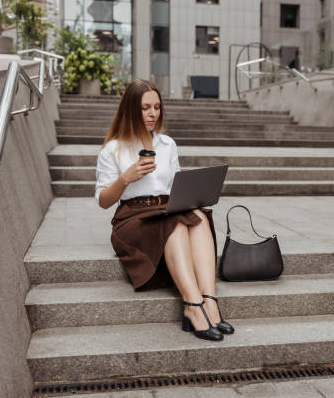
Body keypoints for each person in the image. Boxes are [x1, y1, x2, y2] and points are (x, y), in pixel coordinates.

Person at [95, 79, 233, 341]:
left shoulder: (167, 144)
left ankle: (210, 301)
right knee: (176, 224)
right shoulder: (113, 148)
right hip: (131, 218)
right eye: (145, 107)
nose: (152, 114)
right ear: (131, 109)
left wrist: (192, 196)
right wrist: (126, 178)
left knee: (200, 217)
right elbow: (103, 201)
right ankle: (192, 306)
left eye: (157, 107)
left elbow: (175, 184)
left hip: (165, 209)